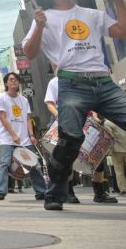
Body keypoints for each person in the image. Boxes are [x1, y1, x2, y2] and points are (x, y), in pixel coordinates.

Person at [23, 0, 126, 211]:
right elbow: (30, 52)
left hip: (104, 82)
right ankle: (55, 193)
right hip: (72, 83)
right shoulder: (45, 17)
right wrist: (39, 26)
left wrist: (119, 1)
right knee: (70, 139)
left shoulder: (91, 14)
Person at [0, 72, 47, 201]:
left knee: (35, 164)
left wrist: (31, 135)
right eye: (11, 79)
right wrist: (13, 134)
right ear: (6, 83)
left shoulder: (23, 99)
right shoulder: (1, 98)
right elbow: (3, 118)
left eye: (16, 79)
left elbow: (28, 119)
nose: (14, 81)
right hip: (7, 139)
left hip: (25, 139)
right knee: (5, 163)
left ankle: (41, 191)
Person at [43, 76, 80, 204]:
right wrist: (60, 116)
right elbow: (50, 103)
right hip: (60, 122)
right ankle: (65, 192)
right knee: (63, 157)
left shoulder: (81, 79)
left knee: (73, 156)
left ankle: (99, 192)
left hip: (78, 120)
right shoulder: (54, 82)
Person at [106, 119, 126, 196]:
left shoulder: (109, 122)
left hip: (116, 150)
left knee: (119, 171)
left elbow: (108, 135)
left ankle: (124, 191)